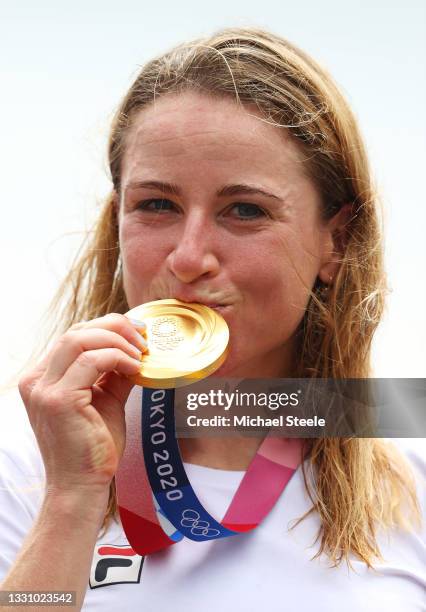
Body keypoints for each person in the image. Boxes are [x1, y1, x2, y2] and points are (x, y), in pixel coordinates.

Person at [0, 27, 424, 611]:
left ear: (337, 240)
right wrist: (72, 499)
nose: (189, 257)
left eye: (244, 210)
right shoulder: (27, 460)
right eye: (157, 205)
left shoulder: (412, 464)